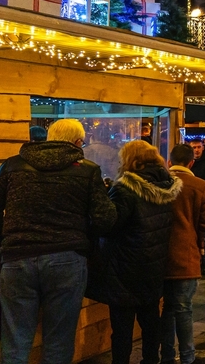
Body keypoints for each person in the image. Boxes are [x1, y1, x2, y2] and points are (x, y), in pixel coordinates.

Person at [0, 119, 116, 364]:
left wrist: (5, 239)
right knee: (59, 343)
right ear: (76, 142)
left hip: (17, 258)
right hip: (67, 259)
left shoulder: (12, 165)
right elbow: (105, 218)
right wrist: (82, 237)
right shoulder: (88, 170)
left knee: (15, 342)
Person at [86, 140, 182, 364]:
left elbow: (110, 225)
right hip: (153, 266)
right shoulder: (166, 186)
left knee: (122, 328)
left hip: (124, 268)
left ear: (131, 160)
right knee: (150, 323)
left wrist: (103, 197)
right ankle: (151, 360)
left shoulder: (125, 189)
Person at [162, 144, 205, 364]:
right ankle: (187, 356)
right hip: (187, 256)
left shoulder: (159, 184)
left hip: (160, 255)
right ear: (191, 163)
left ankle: (166, 355)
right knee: (184, 308)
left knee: (166, 309)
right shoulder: (200, 186)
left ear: (169, 162)